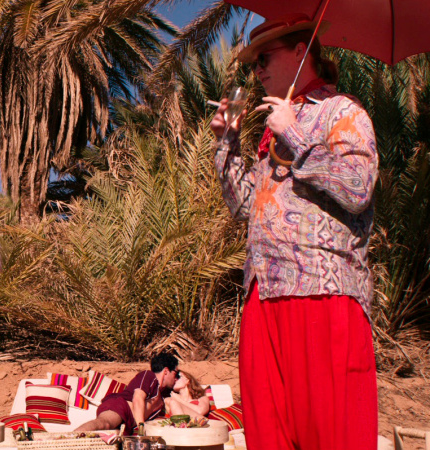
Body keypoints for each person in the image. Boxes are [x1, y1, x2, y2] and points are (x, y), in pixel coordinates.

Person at [211, 13, 378, 450]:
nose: (257, 70)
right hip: (264, 294)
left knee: (333, 431)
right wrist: (227, 143)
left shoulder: (342, 110)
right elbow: (246, 206)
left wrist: (296, 135)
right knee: (270, 435)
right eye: (253, 64)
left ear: (301, 52)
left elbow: (358, 187)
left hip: (322, 292)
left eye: (263, 58)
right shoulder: (275, 129)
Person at [74, 352, 179, 435]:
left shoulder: (163, 395)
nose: (177, 378)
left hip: (127, 424)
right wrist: (141, 427)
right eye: (176, 373)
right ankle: (69, 439)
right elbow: (138, 398)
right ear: (166, 371)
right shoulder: (149, 376)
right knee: (105, 423)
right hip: (120, 406)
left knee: (109, 433)